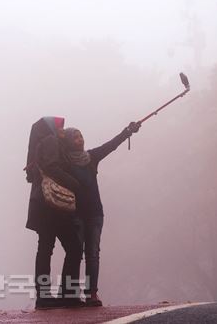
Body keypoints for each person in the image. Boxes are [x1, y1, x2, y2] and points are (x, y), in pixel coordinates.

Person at [62, 122, 140, 307]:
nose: (79, 140)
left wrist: (127, 131)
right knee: (75, 253)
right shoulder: (63, 164)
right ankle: (71, 294)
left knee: (93, 254)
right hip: (76, 215)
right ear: (68, 143)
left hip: (95, 214)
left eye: (80, 136)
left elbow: (111, 145)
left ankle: (92, 294)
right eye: (75, 137)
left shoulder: (91, 157)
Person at [25, 117, 84, 310]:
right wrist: (75, 184)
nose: (63, 130)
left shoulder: (38, 146)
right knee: (74, 247)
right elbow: (52, 167)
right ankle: (67, 295)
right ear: (51, 128)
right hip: (52, 206)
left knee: (45, 249)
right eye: (60, 126)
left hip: (42, 206)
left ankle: (44, 297)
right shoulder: (50, 141)